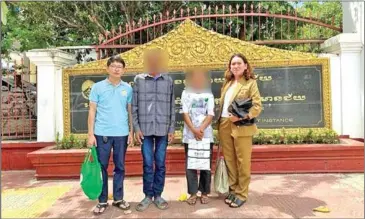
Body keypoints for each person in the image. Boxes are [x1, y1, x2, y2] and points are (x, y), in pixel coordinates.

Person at [87, 55, 133, 215]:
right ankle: (102, 200)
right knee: (102, 168)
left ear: (123, 70)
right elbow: (92, 111)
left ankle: (119, 198)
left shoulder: (127, 88)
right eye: (113, 66)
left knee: (120, 167)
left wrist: (131, 132)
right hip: (102, 134)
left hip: (121, 134)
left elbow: (129, 111)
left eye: (119, 67)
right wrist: (90, 134)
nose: (116, 69)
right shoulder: (97, 87)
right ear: (107, 68)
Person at [132, 48, 175, 211]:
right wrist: (136, 128)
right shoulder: (139, 80)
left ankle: (158, 194)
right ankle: (147, 195)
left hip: (163, 129)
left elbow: (172, 105)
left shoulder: (168, 80)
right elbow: (134, 106)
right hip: (145, 130)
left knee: (161, 163)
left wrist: (171, 128)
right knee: (148, 163)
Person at [217, 53, 262, 208]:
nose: (235, 66)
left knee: (242, 161)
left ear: (245, 66)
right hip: (224, 124)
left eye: (238, 63)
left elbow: (257, 106)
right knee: (230, 160)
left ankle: (242, 194)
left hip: (241, 126)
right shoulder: (227, 83)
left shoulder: (250, 83)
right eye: (233, 64)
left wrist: (241, 118)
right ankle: (233, 189)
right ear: (230, 67)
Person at [181, 68, 215, 205]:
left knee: (205, 165)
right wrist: (194, 130)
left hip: (206, 135)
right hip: (189, 135)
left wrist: (200, 129)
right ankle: (193, 193)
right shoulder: (185, 93)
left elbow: (210, 114)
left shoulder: (209, 94)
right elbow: (185, 113)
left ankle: (205, 192)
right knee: (191, 165)